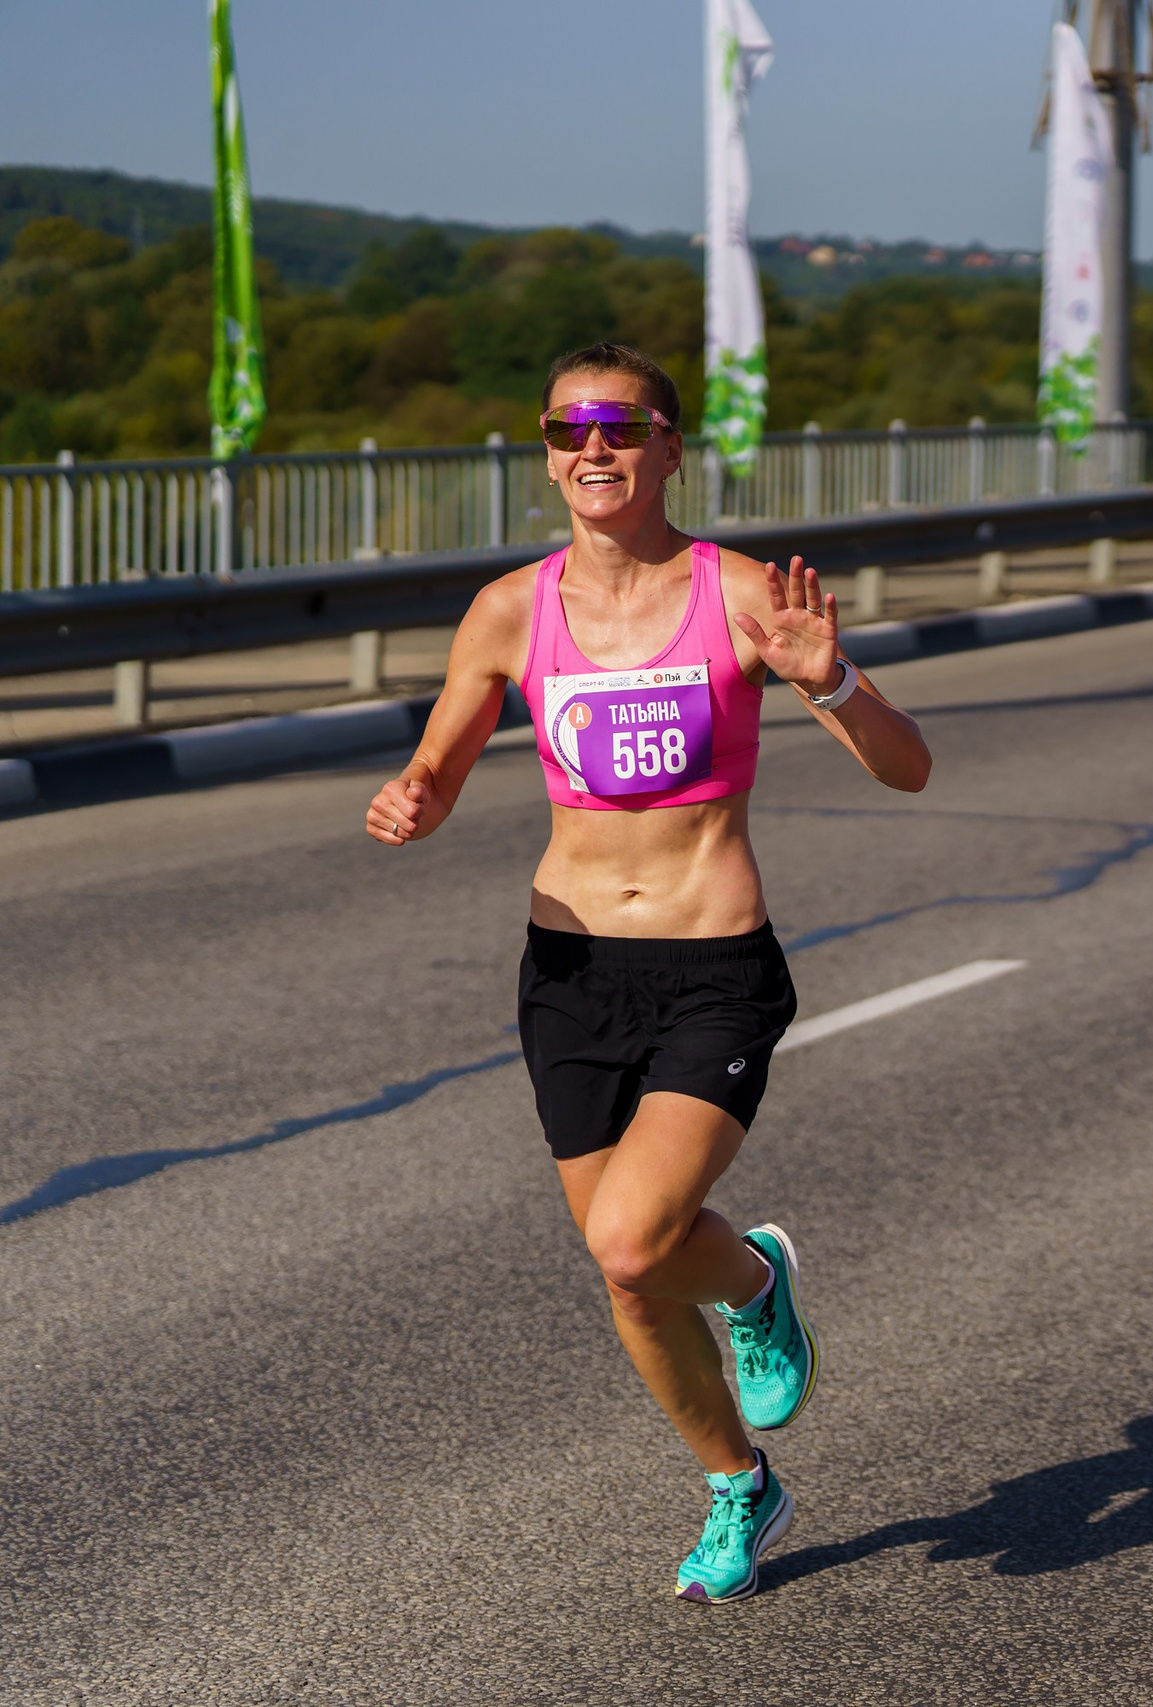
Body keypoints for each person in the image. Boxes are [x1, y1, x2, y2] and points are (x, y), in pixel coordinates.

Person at [364, 343, 933, 1603]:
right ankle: (742, 1484)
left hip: (712, 966)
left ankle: (755, 1278)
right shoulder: (511, 611)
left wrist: (825, 678)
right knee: (626, 1281)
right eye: (570, 429)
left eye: (621, 427)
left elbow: (908, 768)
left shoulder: (736, 594)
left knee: (634, 1243)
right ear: (548, 450)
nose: (593, 450)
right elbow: (441, 768)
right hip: (568, 971)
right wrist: (414, 795)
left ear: (672, 447)